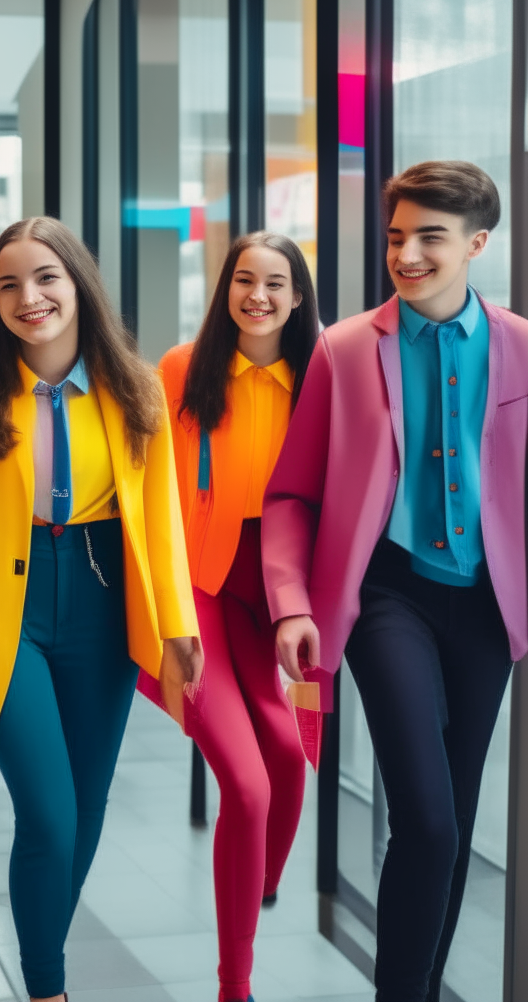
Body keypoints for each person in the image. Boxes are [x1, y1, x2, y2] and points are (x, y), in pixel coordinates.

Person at [0, 216, 203, 1002]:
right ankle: (47, 987)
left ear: (78, 285)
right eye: (10, 284)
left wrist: (178, 628)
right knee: (46, 812)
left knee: (85, 813)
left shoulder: (137, 389)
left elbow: (164, 522)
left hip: (104, 609)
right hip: (6, 613)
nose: (29, 297)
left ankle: (40, 952)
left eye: (46, 278)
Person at [264, 161, 528, 1002]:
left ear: (477, 244)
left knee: (444, 830)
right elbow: (291, 494)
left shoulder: (522, 346)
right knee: (428, 816)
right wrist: (292, 604)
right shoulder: (345, 349)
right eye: (395, 236)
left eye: (429, 238)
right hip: (387, 597)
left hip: (487, 607)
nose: (406, 254)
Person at [140, 231, 317, 1002]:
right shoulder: (181, 370)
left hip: (273, 597)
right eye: (245, 280)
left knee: (286, 756)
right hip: (198, 592)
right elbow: (146, 489)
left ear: (298, 297)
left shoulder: (320, 377)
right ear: (225, 288)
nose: (258, 296)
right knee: (245, 788)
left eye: (275, 284)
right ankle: (233, 981)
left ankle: (258, 877)